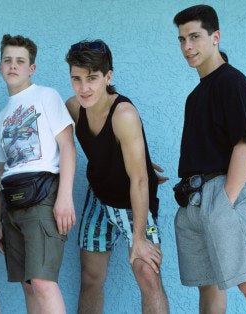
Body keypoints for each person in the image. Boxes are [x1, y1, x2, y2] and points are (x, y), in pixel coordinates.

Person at [172, 5, 246, 313]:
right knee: (208, 286)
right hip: (193, 199)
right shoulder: (196, 96)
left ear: (215, 37)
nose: (187, 47)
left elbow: (245, 146)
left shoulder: (232, 82)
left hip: (221, 193)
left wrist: (225, 202)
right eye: (181, 39)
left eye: (195, 37)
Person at [65, 39, 170, 313]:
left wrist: (138, 240)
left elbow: (139, 180)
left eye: (92, 78)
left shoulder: (123, 114)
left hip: (132, 200)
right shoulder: (74, 108)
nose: (84, 88)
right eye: (76, 79)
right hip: (98, 197)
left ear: (108, 77)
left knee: (148, 274)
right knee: (90, 278)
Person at [0, 34, 76, 314]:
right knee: (28, 284)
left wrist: (64, 198)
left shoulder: (46, 96)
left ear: (32, 68)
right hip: (11, 203)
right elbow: (1, 169)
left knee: (42, 282)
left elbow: (67, 146)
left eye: (20, 61)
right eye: (7, 60)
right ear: (0, 66)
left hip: (43, 196)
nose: (13, 66)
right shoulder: (0, 117)